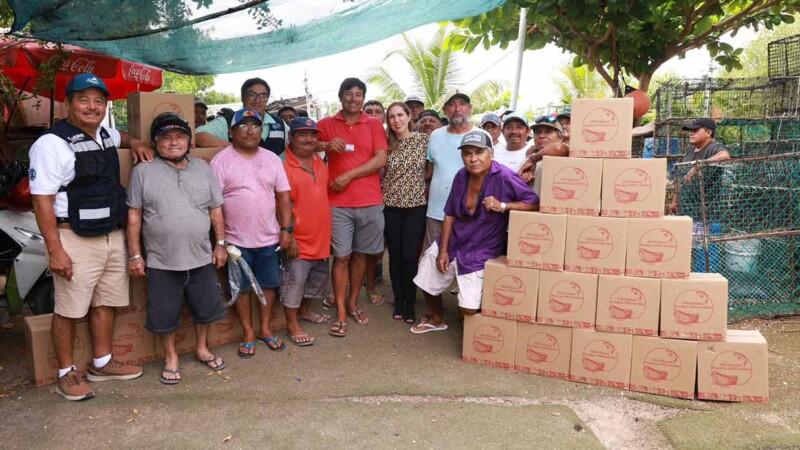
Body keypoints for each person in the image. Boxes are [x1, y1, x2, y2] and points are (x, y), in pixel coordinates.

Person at [29, 73, 150, 401]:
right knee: (69, 309)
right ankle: (66, 373)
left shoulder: (106, 135)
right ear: (68, 104)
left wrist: (137, 143)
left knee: (105, 303)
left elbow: (121, 136)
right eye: (83, 100)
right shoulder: (51, 144)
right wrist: (55, 249)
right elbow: (41, 200)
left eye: (99, 101)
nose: (92, 107)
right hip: (73, 237)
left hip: (112, 235)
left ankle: (102, 362)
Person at [127, 113, 228, 384]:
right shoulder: (143, 172)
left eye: (180, 136)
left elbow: (216, 210)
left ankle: (202, 348)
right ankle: (171, 356)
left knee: (205, 309)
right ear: (155, 142)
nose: (174, 143)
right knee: (164, 314)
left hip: (201, 256)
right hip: (161, 260)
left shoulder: (204, 169)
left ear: (189, 141)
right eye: (166, 137)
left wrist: (220, 244)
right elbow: (134, 216)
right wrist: (135, 255)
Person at [411, 131, 538, 333]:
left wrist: (503, 205)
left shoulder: (504, 176)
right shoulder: (461, 176)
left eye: (479, 152)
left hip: (482, 246)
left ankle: (468, 315)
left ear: (491, 154)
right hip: (456, 240)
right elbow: (450, 214)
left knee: (468, 310)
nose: (473, 159)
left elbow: (534, 203)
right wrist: (442, 250)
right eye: (467, 154)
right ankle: (436, 317)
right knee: (427, 276)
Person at [210, 108, 293, 357]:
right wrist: (221, 241)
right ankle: (248, 331)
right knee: (242, 288)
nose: (250, 131)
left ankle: (265, 329)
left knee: (269, 285)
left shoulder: (271, 159)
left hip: (269, 236)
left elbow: (284, 197)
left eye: (255, 126)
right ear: (231, 132)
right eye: (243, 126)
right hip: (236, 241)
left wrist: (287, 229)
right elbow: (214, 205)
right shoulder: (221, 161)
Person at [316, 78, 388, 337]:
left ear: (364, 98)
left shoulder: (374, 124)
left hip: (370, 200)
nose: (354, 99)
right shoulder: (325, 124)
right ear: (340, 96)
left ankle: (354, 302)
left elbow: (381, 158)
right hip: (337, 204)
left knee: (361, 255)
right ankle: (341, 312)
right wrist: (324, 145)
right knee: (342, 256)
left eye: (359, 95)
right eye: (349, 94)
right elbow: (300, 145)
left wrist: (349, 175)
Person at [280, 117, 332, 346]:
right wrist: (288, 235)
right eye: (302, 134)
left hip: (320, 238)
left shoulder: (320, 163)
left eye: (312, 134)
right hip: (298, 239)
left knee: (318, 279)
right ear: (291, 137)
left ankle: (304, 311)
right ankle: (292, 324)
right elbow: (280, 206)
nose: (308, 138)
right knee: (295, 282)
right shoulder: (283, 166)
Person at [382, 102, 429, 323]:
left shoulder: (423, 141)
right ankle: (398, 301)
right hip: (390, 206)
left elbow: (430, 169)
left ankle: (410, 303)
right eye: (391, 116)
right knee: (395, 256)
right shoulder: (386, 143)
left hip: (416, 206)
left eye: (400, 115)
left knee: (410, 256)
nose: (396, 120)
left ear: (409, 116)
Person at [424, 90, 476, 251]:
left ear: (470, 108)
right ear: (445, 110)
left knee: (463, 263)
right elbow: (430, 172)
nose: (457, 108)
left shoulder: (481, 135)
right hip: (436, 212)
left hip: (468, 212)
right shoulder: (435, 136)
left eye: (462, 104)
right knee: (432, 260)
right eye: (452, 104)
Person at [196, 78, 288, 157]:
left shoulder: (280, 124)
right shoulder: (227, 122)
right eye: (252, 95)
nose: (258, 100)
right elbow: (197, 135)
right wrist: (234, 148)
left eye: (263, 96)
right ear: (242, 97)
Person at [669, 118, 731, 214]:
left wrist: (699, 165)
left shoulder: (714, 147)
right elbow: (680, 178)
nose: (691, 133)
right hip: (685, 207)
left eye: (696, 131)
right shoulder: (690, 152)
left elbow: (725, 156)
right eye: (691, 131)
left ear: (708, 133)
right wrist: (674, 201)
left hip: (706, 210)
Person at [362, 98, 387, 299]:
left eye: (377, 111)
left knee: (376, 247)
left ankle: (372, 283)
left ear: (384, 116)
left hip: (391, 199)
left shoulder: (392, 138)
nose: (373, 114)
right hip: (365, 197)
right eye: (368, 110)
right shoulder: (358, 135)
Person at [518, 116, 569, 195]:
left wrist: (533, 159)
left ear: (560, 138)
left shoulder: (564, 157)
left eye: (548, 132)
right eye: (538, 132)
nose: (541, 136)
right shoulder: (526, 160)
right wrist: (522, 179)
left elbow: (559, 148)